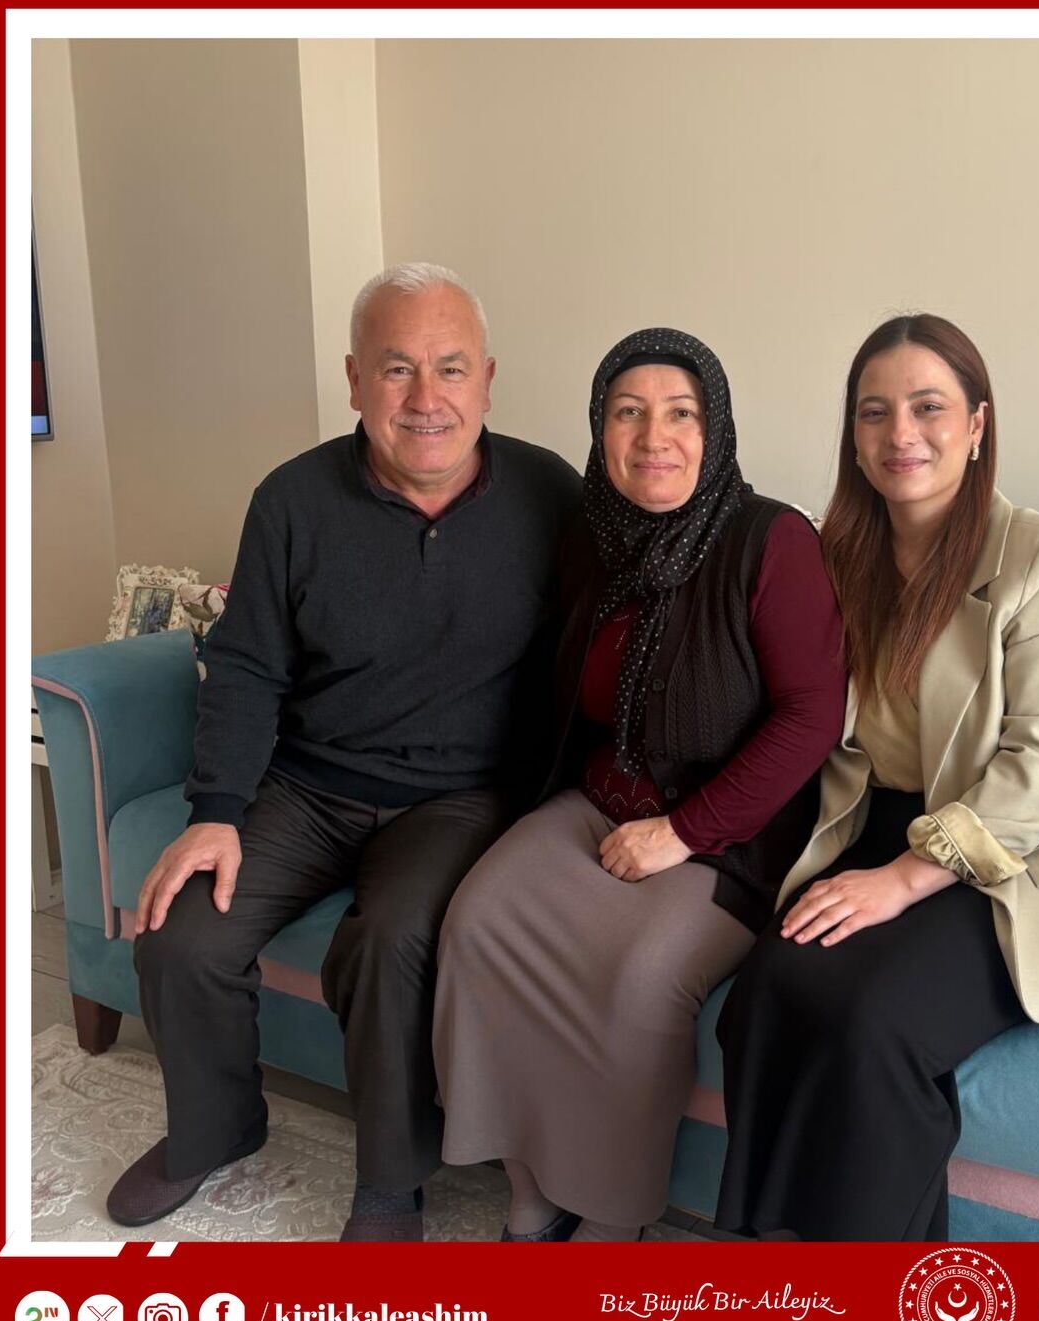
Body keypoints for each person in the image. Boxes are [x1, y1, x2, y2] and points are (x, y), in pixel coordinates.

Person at [106, 263, 581, 1241]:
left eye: (451, 368)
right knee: (181, 932)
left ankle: (391, 1182)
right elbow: (246, 667)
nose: (426, 397)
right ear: (357, 380)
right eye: (397, 369)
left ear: (489, 381)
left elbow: (596, 654)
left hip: (458, 799)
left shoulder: (552, 496)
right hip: (306, 786)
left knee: (393, 939)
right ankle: (215, 1129)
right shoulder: (291, 500)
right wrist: (215, 814)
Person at [714, 314, 1039, 1242]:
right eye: (874, 412)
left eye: (928, 407)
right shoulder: (835, 554)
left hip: (1021, 857)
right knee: (769, 992)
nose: (901, 433)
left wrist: (903, 879)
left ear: (977, 424)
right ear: (853, 435)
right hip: (879, 827)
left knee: (871, 1023)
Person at [432, 327, 847, 1241]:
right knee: (479, 922)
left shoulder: (771, 540)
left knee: (642, 979)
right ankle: (530, 1187)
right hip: (598, 801)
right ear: (601, 431)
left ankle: (613, 1215)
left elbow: (813, 716)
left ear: (715, 430)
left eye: (680, 414)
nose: (654, 436)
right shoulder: (596, 536)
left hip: (729, 836)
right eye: (628, 413)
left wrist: (684, 832)